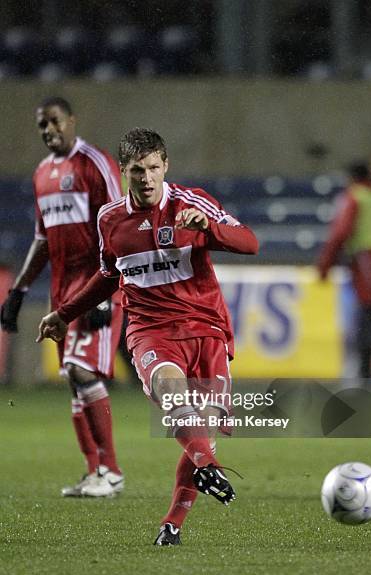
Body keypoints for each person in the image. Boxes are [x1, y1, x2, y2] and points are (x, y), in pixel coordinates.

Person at [36, 127, 259, 545]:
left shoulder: (192, 203)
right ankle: (208, 467)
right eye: (138, 170)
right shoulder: (110, 220)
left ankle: (171, 525)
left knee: (201, 435)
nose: (147, 178)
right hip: (150, 331)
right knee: (174, 396)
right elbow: (107, 276)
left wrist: (209, 228)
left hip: (207, 329)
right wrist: (65, 315)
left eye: (154, 167)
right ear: (124, 172)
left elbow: (250, 243)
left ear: (165, 166)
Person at [0, 97, 125, 497]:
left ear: (71, 120)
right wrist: (19, 290)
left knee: (81, 370)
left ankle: (112, 471)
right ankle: (95, 473)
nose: (48, 130)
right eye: (41, 125)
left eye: (54, 121)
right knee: (73, 380)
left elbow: (118, 224)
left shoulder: (95, 162)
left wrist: (106, 291)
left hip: (95, 285)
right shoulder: (42, 174)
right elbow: (41, 239)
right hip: (60, 292)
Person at [317, 160, 371, 379]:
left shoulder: (354, 198)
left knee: (370, 316)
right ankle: (365, 373)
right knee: (370, 317)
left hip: (368, 262)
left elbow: (339, 233)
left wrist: (324, 266)